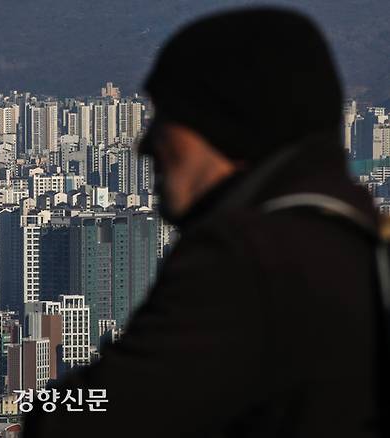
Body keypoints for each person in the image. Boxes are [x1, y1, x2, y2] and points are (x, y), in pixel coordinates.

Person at [23, 7, 386, 438]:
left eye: (167, 117)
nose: (146, 145)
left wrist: (41, 399)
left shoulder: (243, 259)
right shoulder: (362, 239)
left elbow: (87, 418)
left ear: (227, 122)